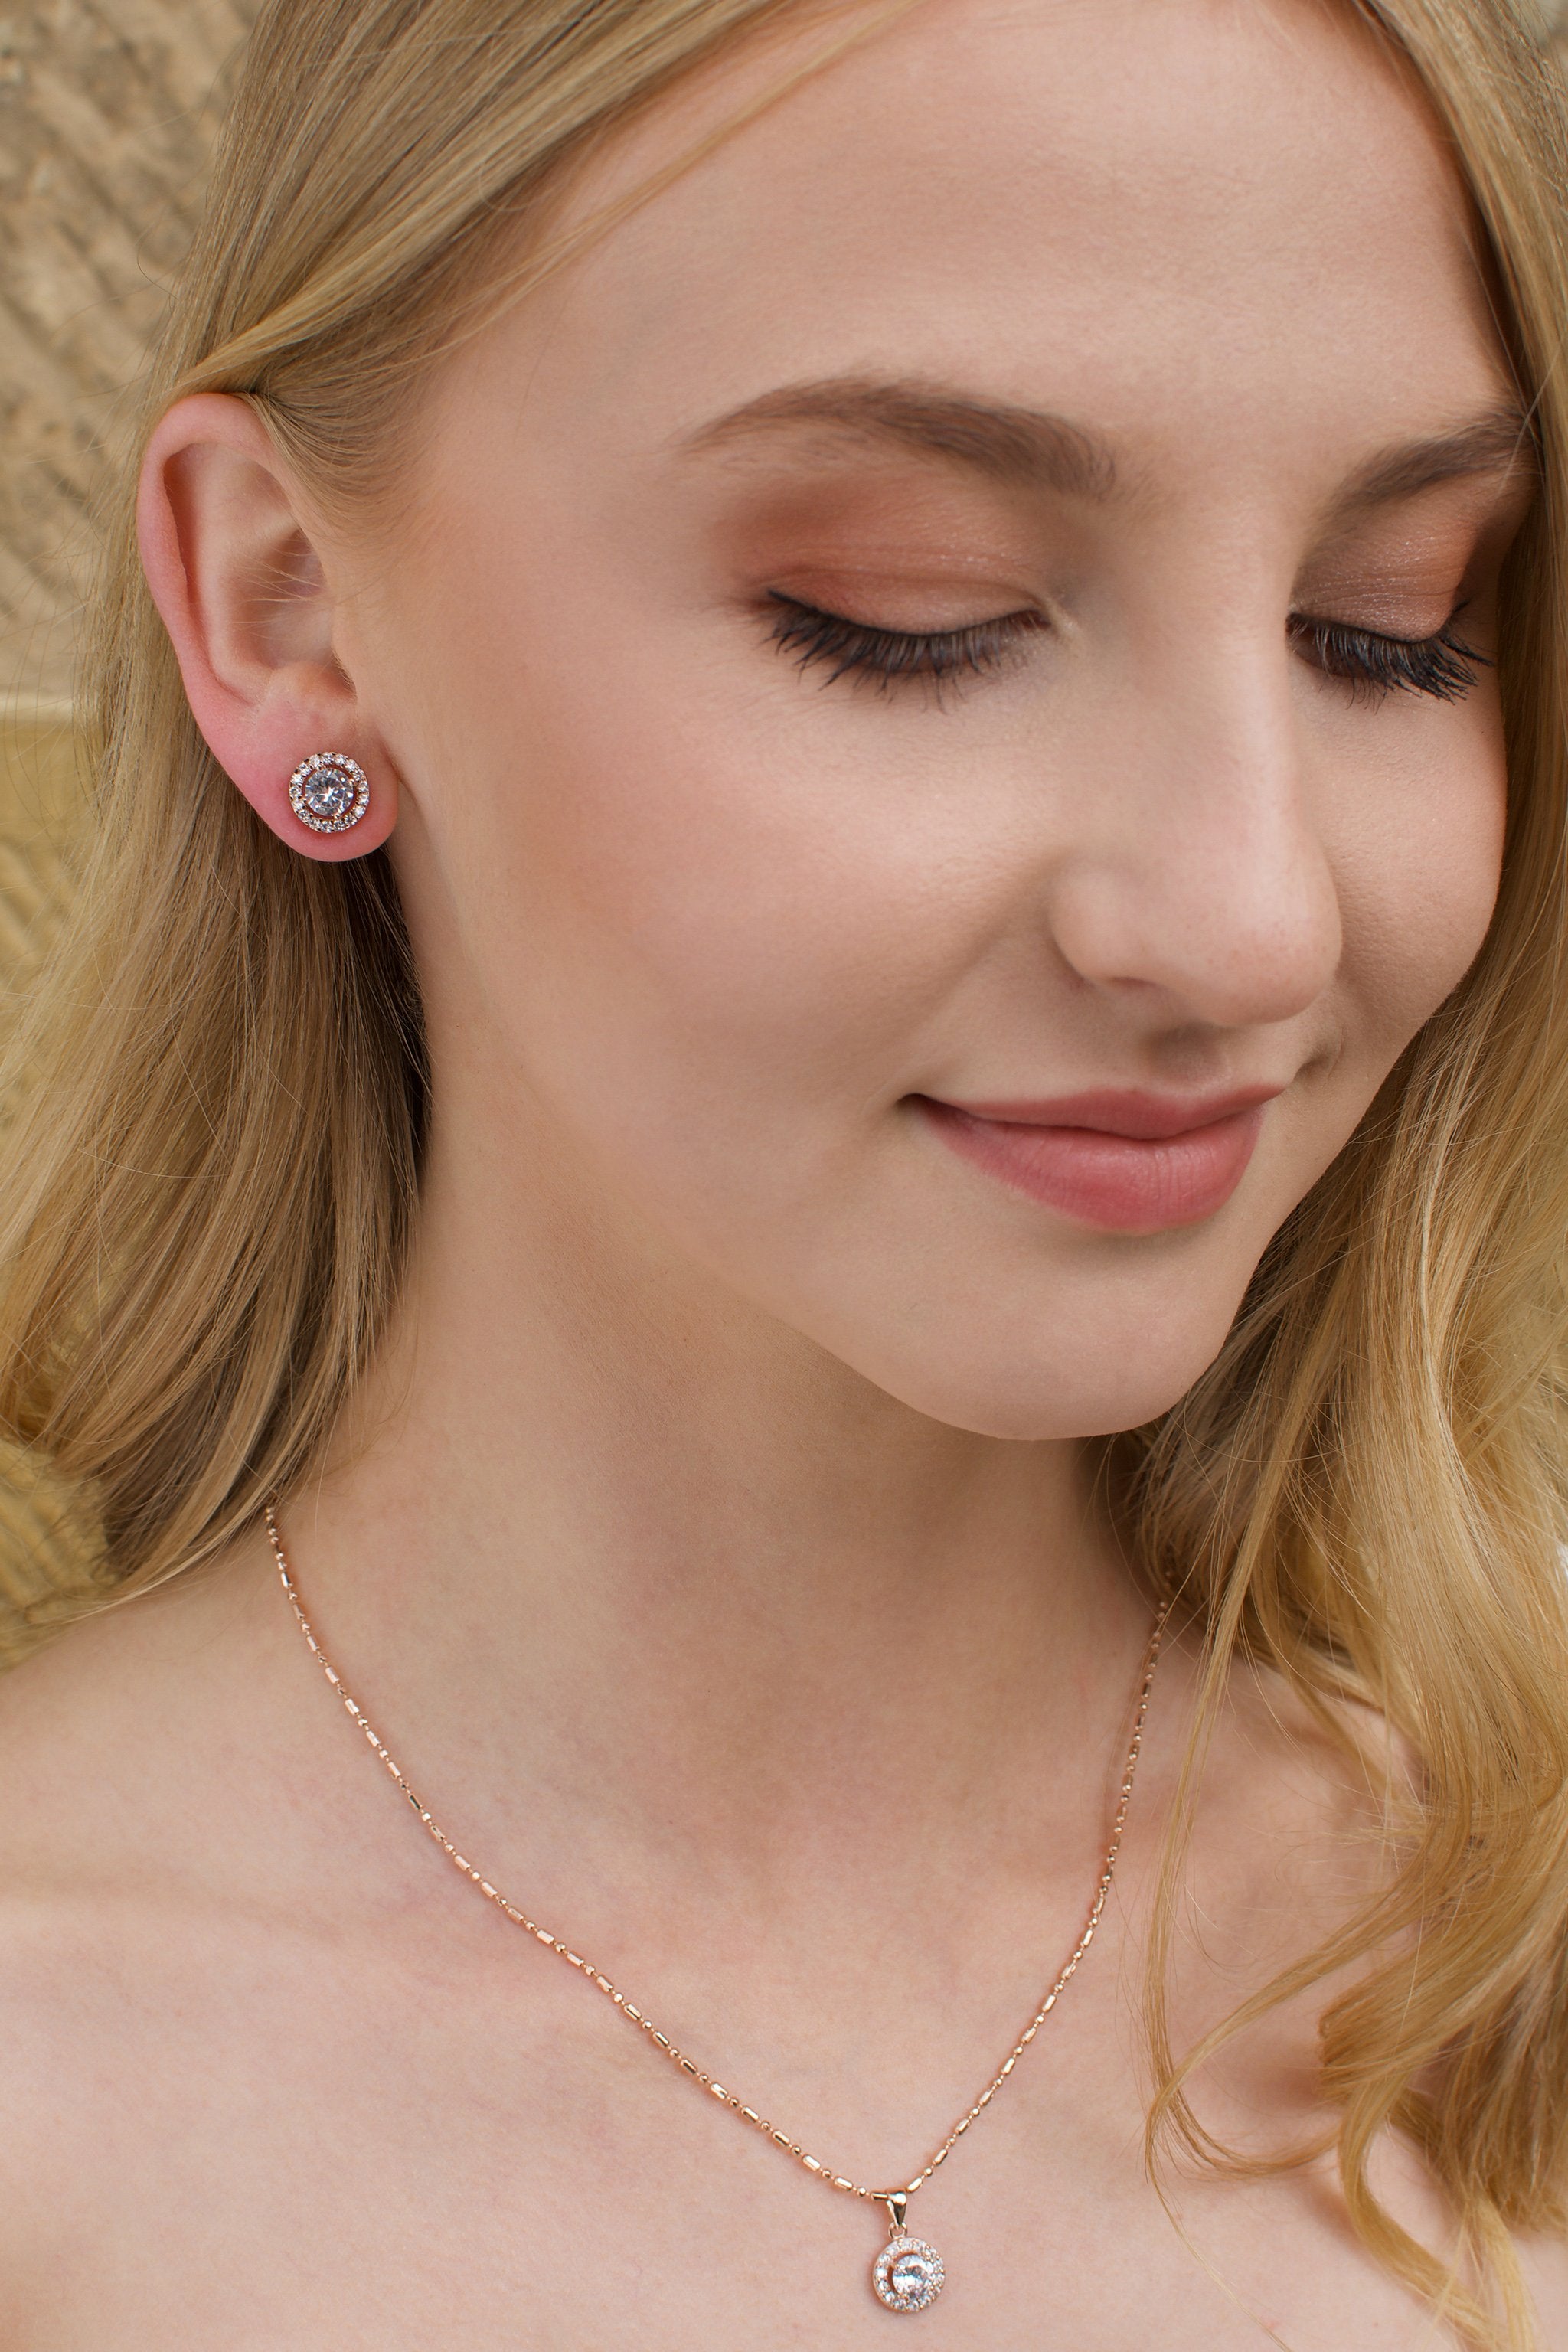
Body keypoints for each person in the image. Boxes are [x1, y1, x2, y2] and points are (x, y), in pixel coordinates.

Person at [0, 0, 1566, 2340]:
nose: (1256, 917)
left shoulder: (1501, 1950)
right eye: (905, 613)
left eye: (1390, 629)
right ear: (289, 613)